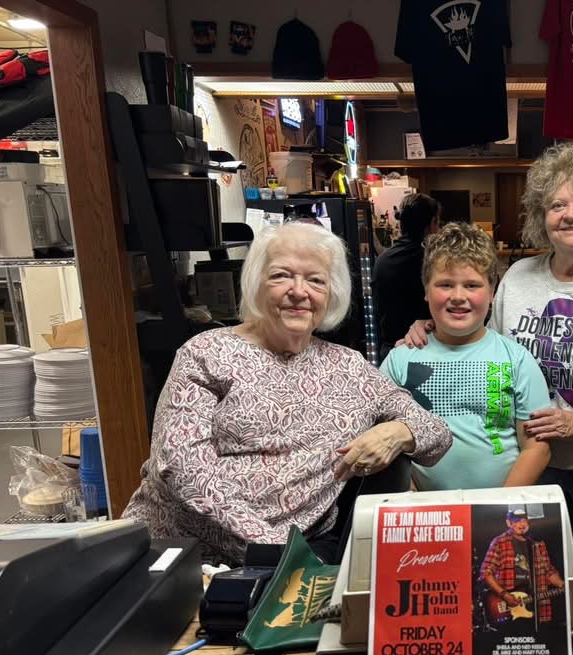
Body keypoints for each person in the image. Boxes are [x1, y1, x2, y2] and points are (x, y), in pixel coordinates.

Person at [405, 143, 573, 561]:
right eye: (557, 205)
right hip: (529, 466)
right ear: (541, 216)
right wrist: (433, 329)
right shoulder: (518, 277)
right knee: (534, 580)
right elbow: (487, 352)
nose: (571, 214)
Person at [123, 222, 453, 565]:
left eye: (315, 280)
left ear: (332, 292)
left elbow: (438, 434)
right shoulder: (205, 354)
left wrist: (398, 432)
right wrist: (284, 554)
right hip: (181, 557)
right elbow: (180, 468)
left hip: (294, 558)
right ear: (256, 282)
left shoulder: (350, 367)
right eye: (281, 275)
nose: (299, 291)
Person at [381, 222, 551, 490]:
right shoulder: (400, 361)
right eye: (445, 284)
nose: (458, 296)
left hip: (500, 506)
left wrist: (499, 505)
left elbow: (536, 448)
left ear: (492, 292)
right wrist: (412, 499)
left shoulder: (517, 360)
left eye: (472, 285)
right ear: (426, 290)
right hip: (423, 507)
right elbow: (383, 442)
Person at [374, 192, 440, 361]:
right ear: (433, 223)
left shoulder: (383, 260)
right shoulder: (432, 261)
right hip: (425, 346)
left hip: (389, 349)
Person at [479, 508, 564, 625]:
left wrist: (562, 585)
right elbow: (486, 572)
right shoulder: (500, 542)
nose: (522, 524)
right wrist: (504, 594)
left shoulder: (538, 544)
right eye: (517, 521)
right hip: (510, 606)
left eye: (525, 520)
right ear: (509, 523)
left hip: (536, 605)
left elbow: (548, 571)